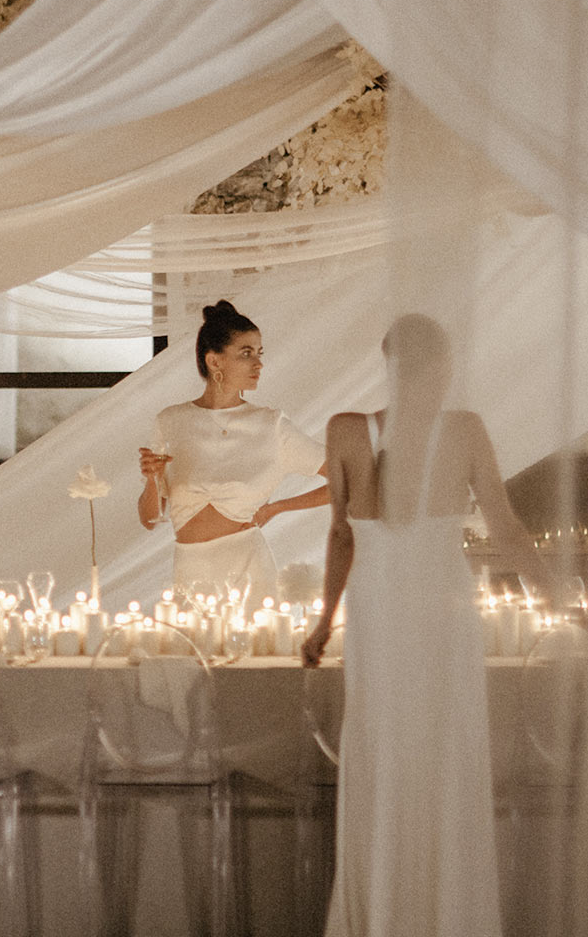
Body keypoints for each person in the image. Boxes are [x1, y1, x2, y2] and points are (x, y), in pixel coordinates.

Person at [300, 314, 551, 937]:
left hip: (382, 611)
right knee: (442, 758)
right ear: (438, 366)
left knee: (387, 756)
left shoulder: (345, 429)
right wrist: (566, 601)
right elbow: (508, 529)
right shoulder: (463, 430)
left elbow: (339, 536)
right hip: (435, 610)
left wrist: (323, 624)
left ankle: (384, 915)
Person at [137, 302, 329, 602]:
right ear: (214, 361)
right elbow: (150, 520)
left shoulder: (271, 425)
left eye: (259, 353)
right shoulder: (171, 421)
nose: (258, 364)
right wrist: (152, 479)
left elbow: (350, 477)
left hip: (248, 571)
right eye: (246, 353)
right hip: (189, 570)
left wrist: (277, 507)